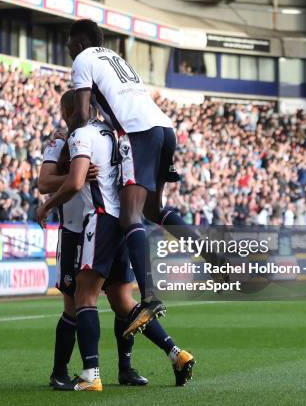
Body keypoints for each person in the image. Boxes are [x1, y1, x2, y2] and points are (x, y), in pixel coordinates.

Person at [66, 19, 227, 338]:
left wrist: (66, 140)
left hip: (138, 132)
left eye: (70, 44)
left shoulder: (83, 60)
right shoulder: (113, 57)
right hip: (164, 129)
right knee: (154, 210)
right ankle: (212, 255)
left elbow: (83, 114)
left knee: (129, 216)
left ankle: (150, 296)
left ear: (80, 43)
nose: (68, 50)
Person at [36, 102, 194, 391]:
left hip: (92, 225)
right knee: (121, 304)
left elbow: (68, 183)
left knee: (80, 301)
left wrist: (68, 185)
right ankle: (173, 354)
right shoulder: (101, 136)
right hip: (106, 223)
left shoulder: (81, 136)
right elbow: (46, 180)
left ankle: (86, 373)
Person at [39, 91, 149, 389]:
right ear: (68, 112)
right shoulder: (61, 140)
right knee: (73, 304)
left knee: (119, 299)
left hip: (102, 224)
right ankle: (59, 372)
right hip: (74, 230)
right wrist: (77, 176)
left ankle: (124, 368)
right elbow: (43, 183)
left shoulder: (102, 135)